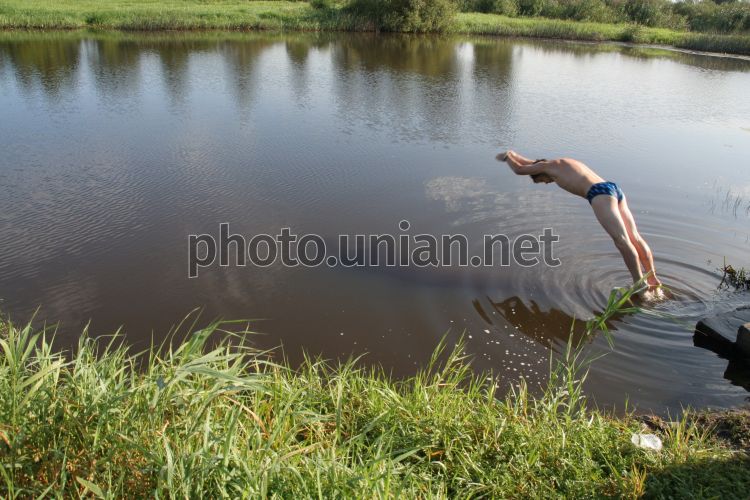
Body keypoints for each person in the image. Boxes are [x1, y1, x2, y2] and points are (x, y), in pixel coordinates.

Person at [498, 150, 662, 294]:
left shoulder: (546, 168)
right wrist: (515, 154)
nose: (548, 183)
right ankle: (652, 278)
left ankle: (639, 284)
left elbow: (520, 169)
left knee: (622, 241)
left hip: (598, 194)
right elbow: (532, 163)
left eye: (543, 181)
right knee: (635, 237)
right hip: (612, 188)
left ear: (539, 173)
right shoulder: (560, 163)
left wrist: (507, 157)